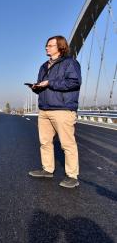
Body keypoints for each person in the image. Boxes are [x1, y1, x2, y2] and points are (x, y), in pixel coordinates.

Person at [28, 35, 81, 188]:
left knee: (67, 144)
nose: (46, 47)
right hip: (44, 109)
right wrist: (36, 88)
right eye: (46, 45)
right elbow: (44, 87)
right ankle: (47, 169)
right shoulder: (43, 66)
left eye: (50, 45)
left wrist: (49, 82)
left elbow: (74, 82)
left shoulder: (70, 63)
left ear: (60, 47)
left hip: (63, 109)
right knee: (45, 142)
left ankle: (72, 176)